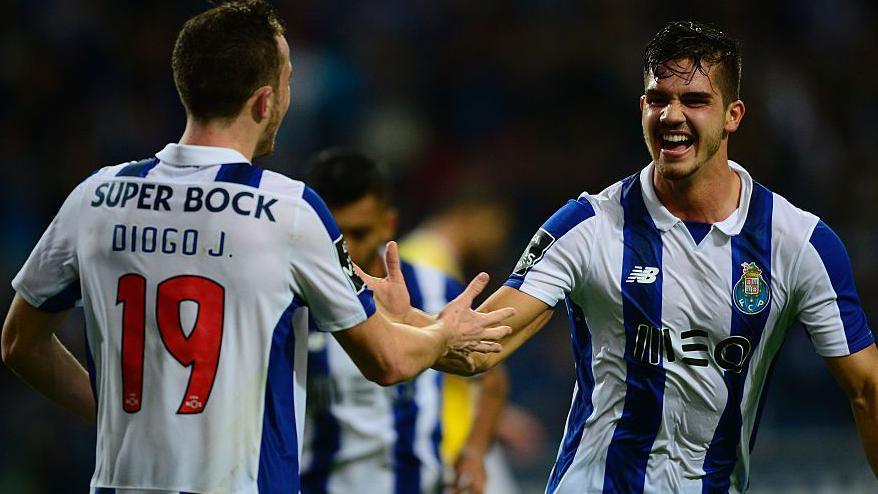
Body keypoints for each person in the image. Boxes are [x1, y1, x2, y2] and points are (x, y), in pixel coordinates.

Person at [0, 3, 513, 494]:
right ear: (265, 101)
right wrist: (446, 333)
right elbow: (388, 362)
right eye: (288, 79)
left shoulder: (96, 197)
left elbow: (20, 344)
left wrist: (113, 411)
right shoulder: (287, 211)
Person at [365, 21, 878, 493]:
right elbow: (481, 348)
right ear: (642, 107)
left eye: (694, 100)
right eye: (659, 99)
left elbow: (867, 388)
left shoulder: (799, 242)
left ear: (732, 116)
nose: (672, 116)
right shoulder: (587, 227)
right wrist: (410, 323)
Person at [300, 149, 462, 493]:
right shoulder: (291, 302)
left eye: (358, 234)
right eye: (334, 236)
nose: (347, 252)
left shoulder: (435, 291)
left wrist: (474, 452)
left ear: (388, 224)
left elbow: (491, 378)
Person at [399, 191, 535, 494]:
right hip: (447, 437)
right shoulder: (426, 264)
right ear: (470, 213)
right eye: (496, 225)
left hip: (452, 430)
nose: (499, 240)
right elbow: (442, 347)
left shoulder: (432, 258)